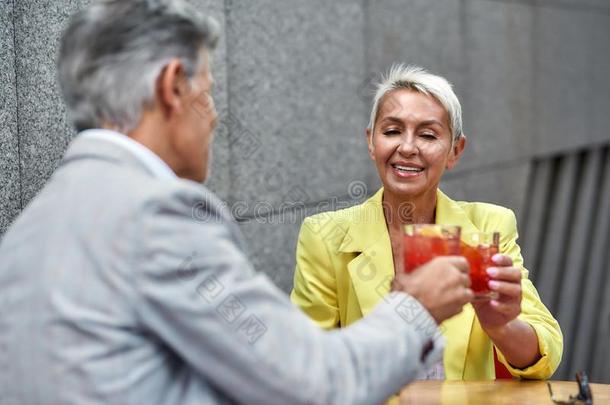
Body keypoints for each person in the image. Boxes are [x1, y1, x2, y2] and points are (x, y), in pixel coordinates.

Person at [0, 2, 475, 404]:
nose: (213, 121)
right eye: (206, 95)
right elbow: (312, 382)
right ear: (172, 87)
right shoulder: (158, 217)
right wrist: (415, 307)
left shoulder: (30, 226)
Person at [291, 65, 563, 380]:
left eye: (428, 135)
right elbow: (306, 364)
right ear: (371, 141)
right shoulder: (325, 236)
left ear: (454, 151)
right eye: (392, 131)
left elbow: (546, 352)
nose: (407, 148)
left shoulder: (490, 225)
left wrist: (500, 326)